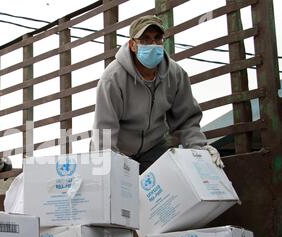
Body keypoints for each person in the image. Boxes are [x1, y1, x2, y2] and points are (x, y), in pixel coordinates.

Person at [91, 15, 224, 173]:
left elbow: (187, 120)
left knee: (170, 189)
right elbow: (104, 130)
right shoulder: (112, 79)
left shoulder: (176, 74)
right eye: (145, 39)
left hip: (154, 149)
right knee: (124, 193)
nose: (153, 44)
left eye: (158, 38)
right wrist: (110, 165)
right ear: (133, 45)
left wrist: (200, 151)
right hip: (119, 152)